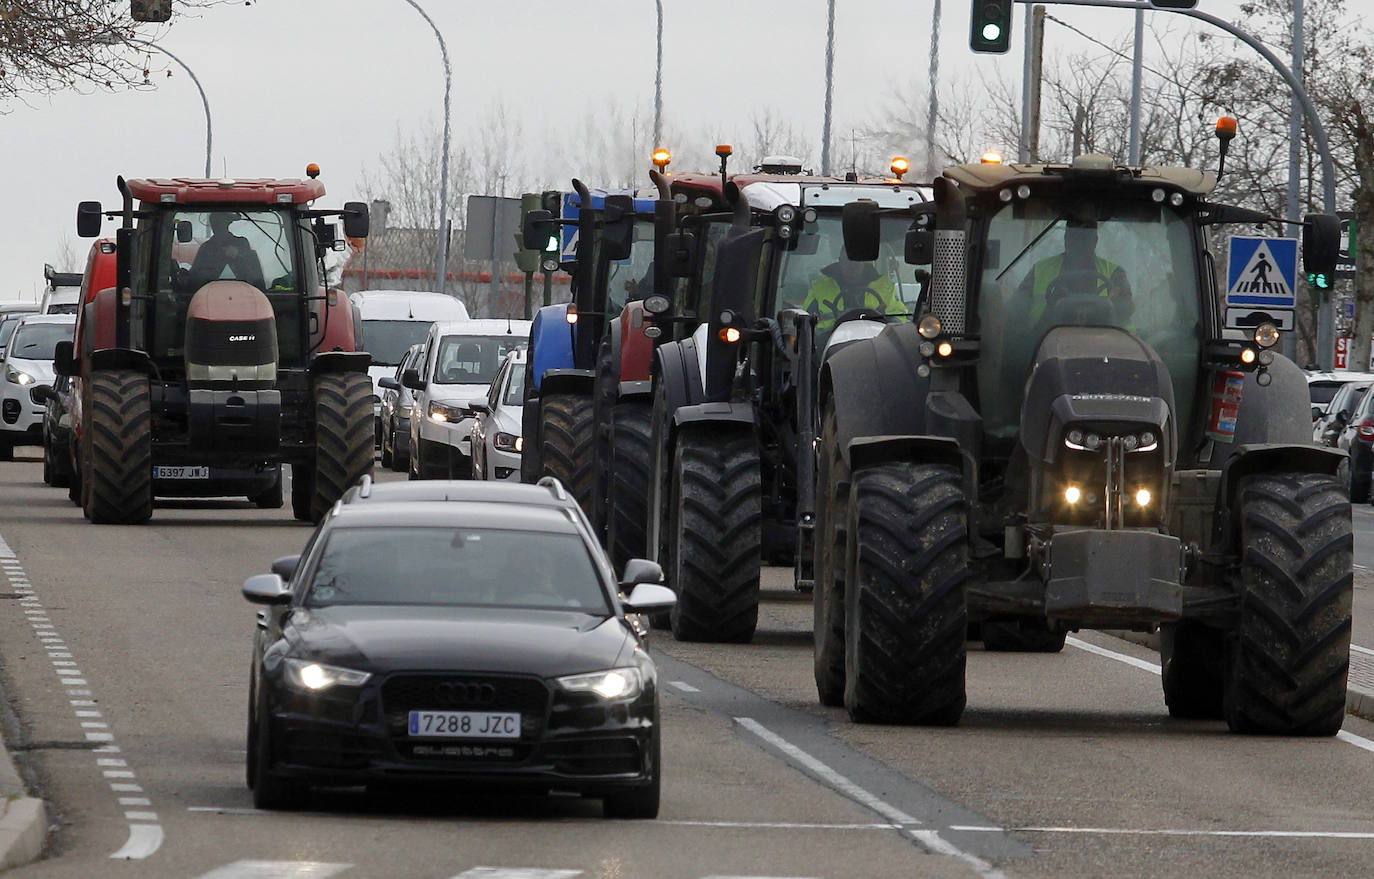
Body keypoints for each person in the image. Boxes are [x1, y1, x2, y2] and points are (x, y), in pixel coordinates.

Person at [1017, 221, 1133, 326]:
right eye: (1074, 236)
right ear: (1066, 238)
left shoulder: (1115, 273)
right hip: (1043, 341)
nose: (1079, 243)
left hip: (1110, 344)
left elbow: (1127, 307)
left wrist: (1106, 307)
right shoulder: (1040, 270)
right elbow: (1016, 310)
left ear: (1095, 240)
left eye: (1085, 237)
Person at [800, 258, 906, 334]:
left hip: (876, 342)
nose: (852, 267)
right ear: (840, 261)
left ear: (864, 263)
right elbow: (804, 322)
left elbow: (898, 319)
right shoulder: (821, 288)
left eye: (857, 261)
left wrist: (887, 324)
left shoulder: (884, 288)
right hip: (828, 344)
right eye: (847, 261)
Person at [185, 213, 265, 291]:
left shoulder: (241, 244)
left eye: (219, 222)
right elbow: (194, 281)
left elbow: (255, 280)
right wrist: (185, 277)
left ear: (227, 223)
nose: (216, 226)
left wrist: (238, 256)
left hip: (243, 293)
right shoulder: (206, 248)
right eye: (214, 223)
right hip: (210, 295)